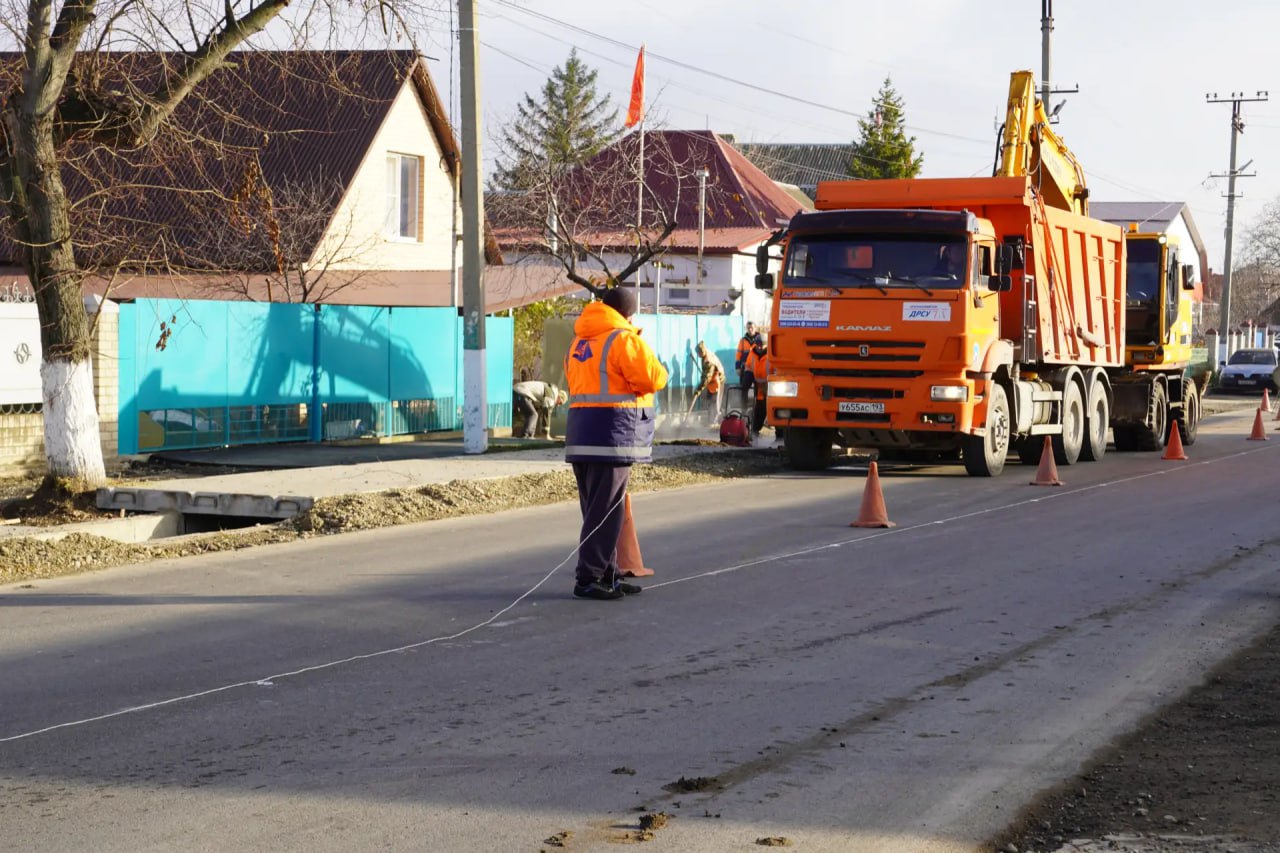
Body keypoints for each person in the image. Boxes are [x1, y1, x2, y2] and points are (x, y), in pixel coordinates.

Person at [564, 286, 669, 601]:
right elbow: (655, 378)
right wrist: (636, 337)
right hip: (612, 434)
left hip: (582, 434)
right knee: (608, 511)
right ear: (628, 313)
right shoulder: (623, 339)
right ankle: (589, 578)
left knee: (598, 509)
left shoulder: (580, 341)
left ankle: (607, 575)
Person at [693, 340, 726, 425]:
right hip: (712, 381)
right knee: (710, 401)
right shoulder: (705, 355)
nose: (698, 355)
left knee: (714, 402)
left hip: (717, 381)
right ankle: (711, 420)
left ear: (702, 351)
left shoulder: (708, 360)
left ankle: (714, 422)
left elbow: (707, 377)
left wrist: (699, 389)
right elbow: (705, 374)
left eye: (698, 353)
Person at [745, 340, 770, 438]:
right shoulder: (752, 354)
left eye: (762, 345)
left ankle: (779, 436)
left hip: (772, 388)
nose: (760, 347)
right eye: (758, 345)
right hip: (759, 389)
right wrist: (747, 378)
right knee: (759, 410)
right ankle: (755, 431)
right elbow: (748, 367)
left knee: (775, 411)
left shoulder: (771, 354)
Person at [734, 321, 764, 400]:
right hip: (746, 368)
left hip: (758, 368)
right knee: (744, 388)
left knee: (758, 389)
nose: (750, 330)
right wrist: (737, 367)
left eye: (752, 328)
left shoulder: (761, 339)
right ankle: (744, 406)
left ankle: (756, 405)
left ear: (755, 328)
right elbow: (738, 355)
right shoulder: (743, 340)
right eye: (748, 328)